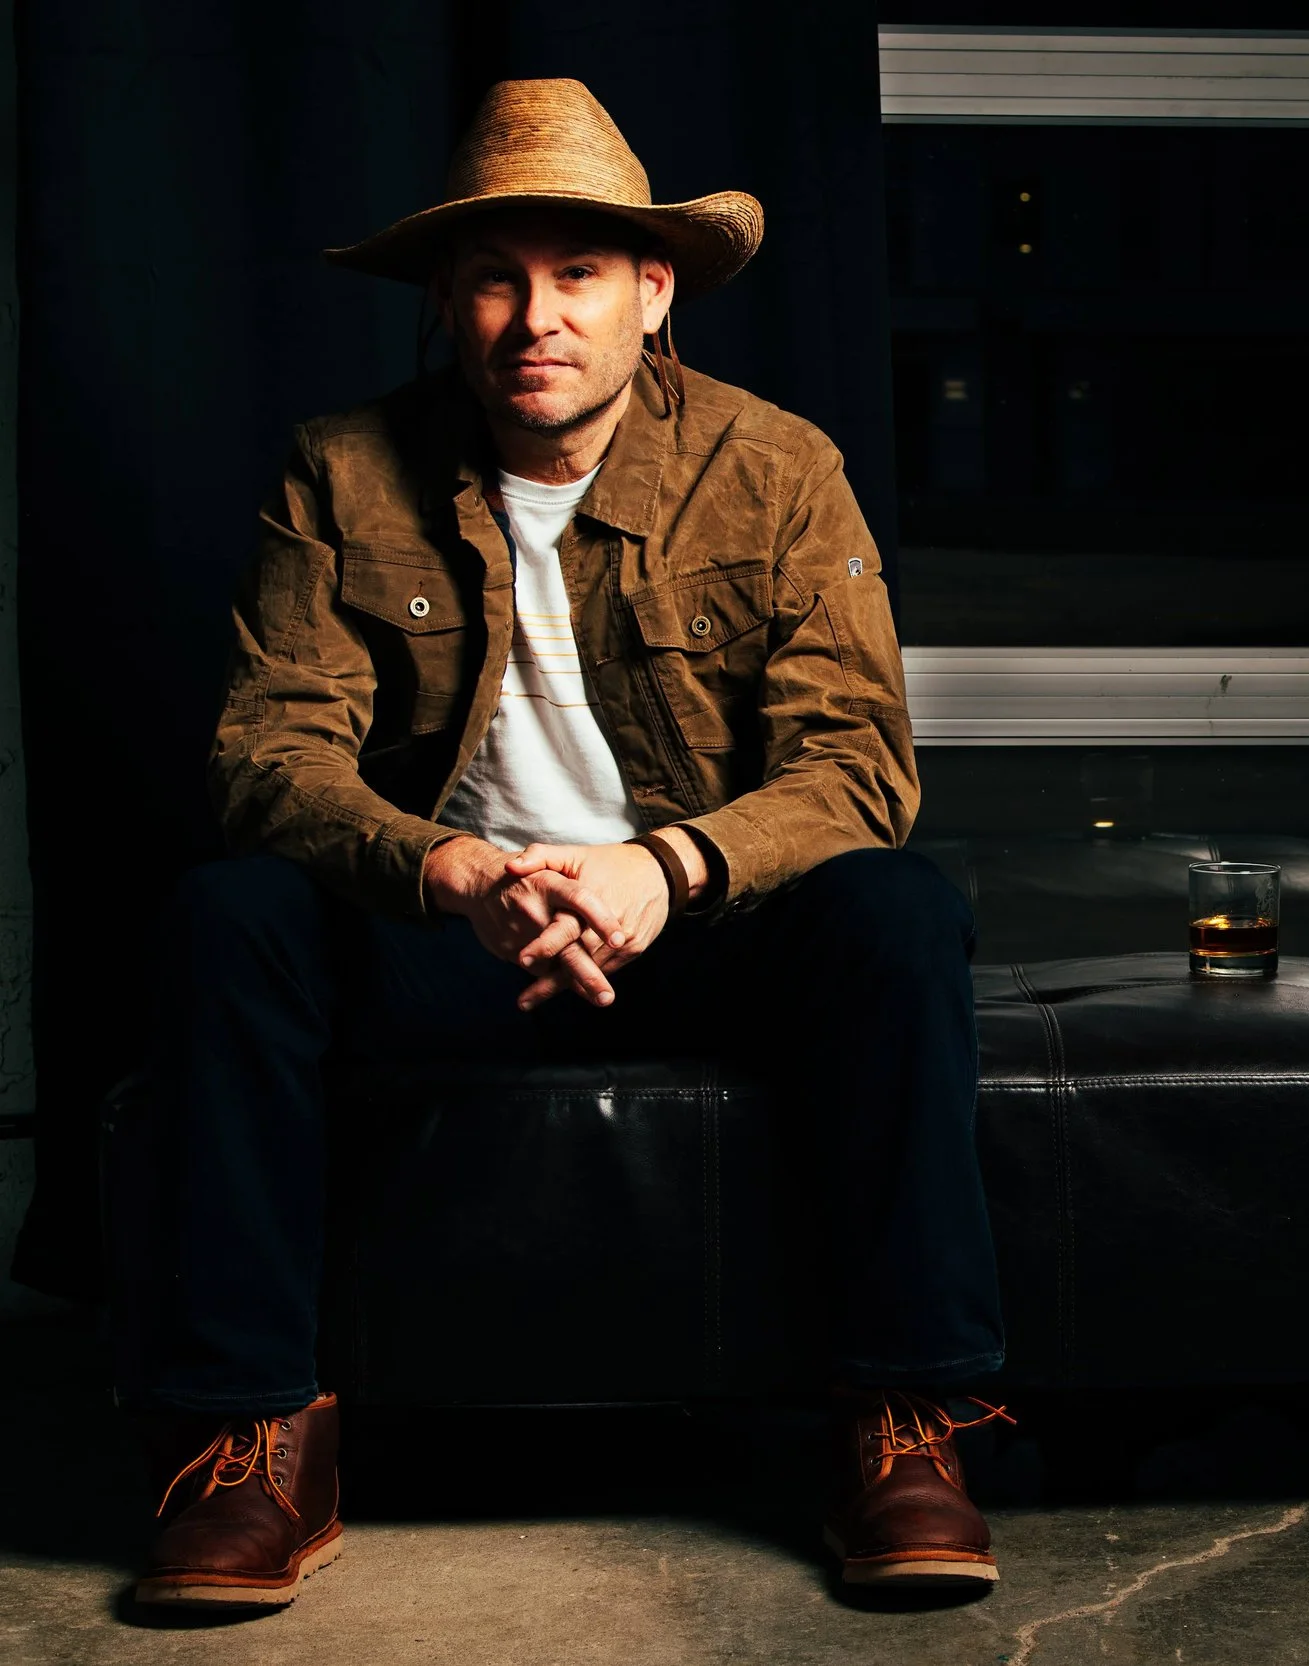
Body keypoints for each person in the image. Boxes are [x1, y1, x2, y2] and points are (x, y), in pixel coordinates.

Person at [120, 78, 1008, 1608]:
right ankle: (256, 1431)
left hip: (697, 929)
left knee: (898, 910)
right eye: (496, 275)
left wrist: (662, 869)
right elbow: (267, 755)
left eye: (579, 272)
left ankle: (905, 1419)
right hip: (445, 937)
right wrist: (450, 871)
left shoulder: (775, 465)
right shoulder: (338, 472)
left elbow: (857, 763)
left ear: (653, 293)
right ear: (448, 303)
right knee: (232, 912)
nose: (538, 315)